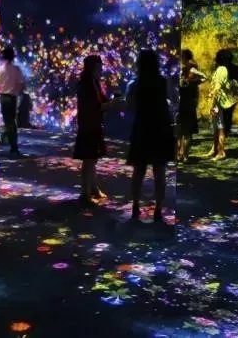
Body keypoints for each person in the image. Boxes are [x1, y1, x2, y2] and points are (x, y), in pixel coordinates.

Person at [127, 49, 175, 222]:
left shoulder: (135, 84)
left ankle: (135, 206)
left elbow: (130, 106)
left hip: (142, 128)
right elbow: (168, 103)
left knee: (139, 170)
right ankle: (158, 209)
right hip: (160, 129)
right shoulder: (163, 81)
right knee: (159, 171)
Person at [73, 55, 121, 206]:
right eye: (98, 68)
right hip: (88, 125)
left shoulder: (94, 83)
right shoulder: (86, 85)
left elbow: (101, 101)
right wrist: (111, 104)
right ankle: (85, 193)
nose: (101, 71)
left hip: (94, 125)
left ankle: (93, 189)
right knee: (88, 160)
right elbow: (94, 106)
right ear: (91, 69)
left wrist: (111, 102)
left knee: (92, 159)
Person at [0, 47, 25, 157]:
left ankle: (5, 143)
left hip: (2, 97)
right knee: (11, 123)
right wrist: (18, 92)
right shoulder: (16, 69)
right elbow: (21, 84)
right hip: (12, 98)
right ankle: (13, 148)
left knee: (6, 122)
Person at [177, 49, 205, 162]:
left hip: (181, 103)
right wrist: (196, 76)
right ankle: (184, 155)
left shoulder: (182, 72)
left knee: (180, 131)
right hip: (189, 104)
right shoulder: (192, 77)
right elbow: (204, 77)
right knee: (187, 132)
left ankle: (180, 154)